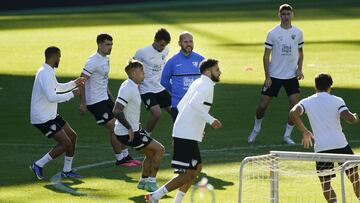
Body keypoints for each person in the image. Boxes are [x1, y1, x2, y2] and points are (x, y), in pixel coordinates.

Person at [146, 59, 223, 203]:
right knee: (188, 173)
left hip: (187, 132)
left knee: (196, 168)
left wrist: (196, 129)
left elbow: (181, 106)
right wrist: (210, 120)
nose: (220, 72)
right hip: (186, 134)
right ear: (208, 72)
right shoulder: (206, 85)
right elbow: (194, 104)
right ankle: (154, 196)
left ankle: (177, 201)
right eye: (217, 70)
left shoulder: (199, 83)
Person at [289, 73, 360, 203]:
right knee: (355, 179)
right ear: (330, 86)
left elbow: (293, 113)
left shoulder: (307, 101)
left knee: (326, 184)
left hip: (322, 148)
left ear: (315, 86)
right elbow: (349, 118)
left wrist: (305, 131)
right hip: (341, 145)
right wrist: (355, 117)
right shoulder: (337, 100)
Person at [79, 33, 140, 166]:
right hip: (94, 102)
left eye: (111, 44)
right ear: (99, 45)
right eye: (107, 44)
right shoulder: (92, 61)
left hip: (104, 98)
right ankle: (119, 159)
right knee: (114, 128)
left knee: (122, 125)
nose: (110, 47)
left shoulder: (105, 59)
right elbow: (81, 82)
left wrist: (112, 99)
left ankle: (126, 156)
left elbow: (103, 81)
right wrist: (83, 102)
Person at [248, 4, 304, 145]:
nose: (286, 17)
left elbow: (301, 52)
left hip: (291, 76)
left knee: (294, 106)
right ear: (279, 15)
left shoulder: (298, 32)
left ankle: (287, 135)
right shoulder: (272, 33)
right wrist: (267, 76)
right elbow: (266, 56)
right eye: (283, 14)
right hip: (274, 75)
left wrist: (299, 69)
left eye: (288, 14)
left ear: (292, 15)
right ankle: (256, 129)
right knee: (263, 105)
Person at [30, 46, 86, 180]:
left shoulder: (48, 71)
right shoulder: (44, 73)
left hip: (50, 115)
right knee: (66, 143)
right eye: (59, 57)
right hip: (43, 118)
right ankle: (38, 164)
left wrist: (74, 83)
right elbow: (51, 97)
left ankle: (67, 171)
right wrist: (72, 94)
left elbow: (57, 87)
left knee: (72, 136)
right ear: (54, 57)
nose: (60, 59)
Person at [113, 60, 165, 192]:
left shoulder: (130, 85)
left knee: (149, 153)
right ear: (134, 73)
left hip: (132, 130)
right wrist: (129, 127)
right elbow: (116, 110)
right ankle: (151, 182)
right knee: (159, 150)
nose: (144, 74)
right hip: (129, 133)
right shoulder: (128, 88)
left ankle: (143, 181)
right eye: (142, 71)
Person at [133, 28, 172, 136]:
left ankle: (181, 136)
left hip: (159, 87)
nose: (162, 48)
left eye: (164, 45)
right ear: (155, 40)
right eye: (161, 45)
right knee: (157, 113)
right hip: (146, 89)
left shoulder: (165, 50)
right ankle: (146, 136)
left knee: (175, 112)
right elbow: (131, 67)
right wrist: (134, 85)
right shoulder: (142, 52)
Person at [161, 31, 205, 121]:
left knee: (197, 133)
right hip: (178, 104)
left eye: (190, 41)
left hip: (196, 104)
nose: (188, 44)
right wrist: (175, 92)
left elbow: (207, 79)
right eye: (185, 42)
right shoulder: (172, 61)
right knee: (179, 133)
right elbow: (164, 81)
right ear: (179, 43)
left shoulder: (201, 60)